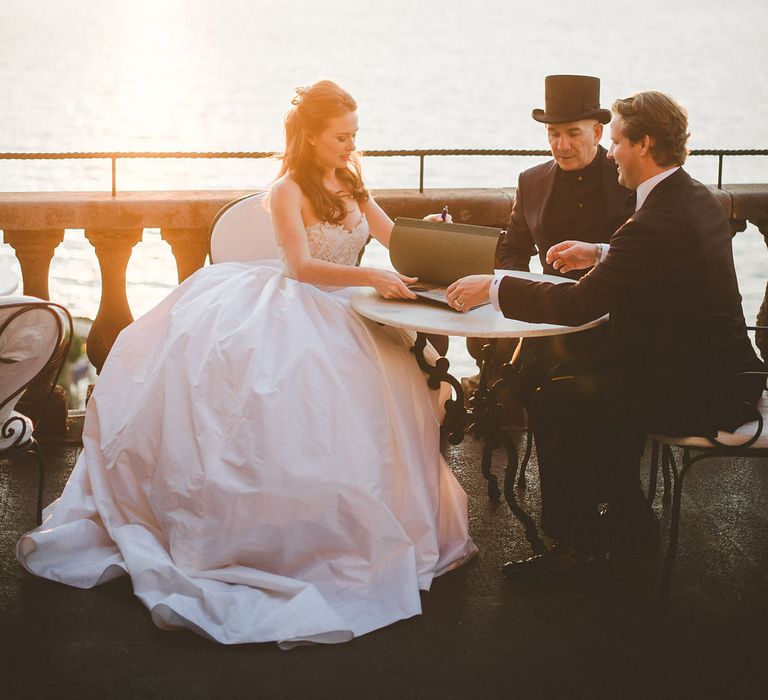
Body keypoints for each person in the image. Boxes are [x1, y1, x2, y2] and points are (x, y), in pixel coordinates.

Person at [17, 80, 476, 646]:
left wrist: (421, 237)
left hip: (349, 307)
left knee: (379, 402)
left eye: (355, 135)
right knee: (281, 405)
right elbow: (302, 267)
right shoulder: (287, 190)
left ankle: (362, 524)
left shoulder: (352, 179)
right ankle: (274, 537)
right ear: (309, 137)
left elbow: (387, 235)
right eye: (340, 136)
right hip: (301, 303)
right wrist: (371, 276)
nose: (350, 145)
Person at [446, 90, 765, 577]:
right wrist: (598, 252)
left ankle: (576, 542)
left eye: (615, 141)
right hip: (723, 371)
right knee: (567, 374)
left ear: (645, 144)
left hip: (700, 390)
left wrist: (494, 286)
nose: (611, 151)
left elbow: (578, 305)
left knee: (557, 395)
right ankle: (629, 519)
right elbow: (657, 258)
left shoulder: (655, 218)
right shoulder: (693, 195)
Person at [466, 75, 633, 398]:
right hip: (549, 320)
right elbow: (513, 249)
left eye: (573, 133)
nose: (562, 145)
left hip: (612, 325)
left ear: (597, 133)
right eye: (553, 134)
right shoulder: (531, 181)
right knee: (513, 378)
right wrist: (523, 296)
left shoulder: (626, 178)